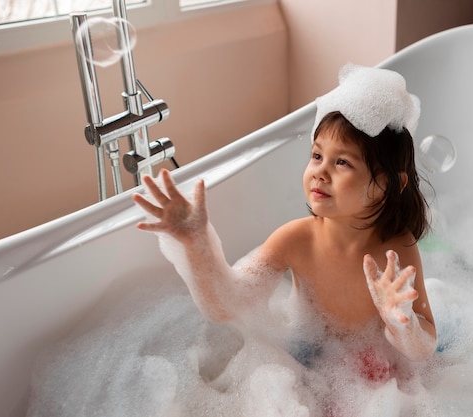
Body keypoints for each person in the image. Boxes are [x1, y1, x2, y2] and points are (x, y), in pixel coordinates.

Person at [132, 64, 437, 365]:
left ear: (386, 184)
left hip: (371, 369)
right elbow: (229, 306)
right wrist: (196, 243)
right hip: (304, 358)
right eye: (317, 156)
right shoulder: (296, 239)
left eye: (341, 162)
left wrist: (402, 322)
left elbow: (425, 346)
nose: (320, 172)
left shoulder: (396, 251)